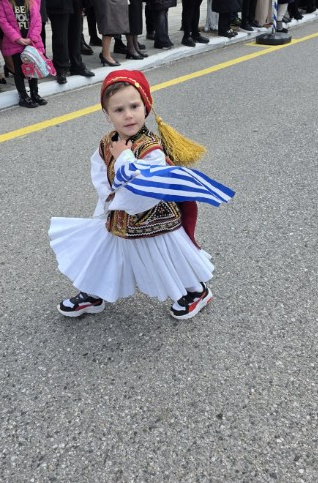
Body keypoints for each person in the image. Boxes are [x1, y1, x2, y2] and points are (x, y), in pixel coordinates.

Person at [49, 69, 234, 321]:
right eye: (119, 110)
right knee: (102, 253)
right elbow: (99, 169)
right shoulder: (108, 141)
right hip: (119, 215)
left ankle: (197, 291)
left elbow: (146, 186)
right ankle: (92, 293)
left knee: (166, 257)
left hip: (153, 218)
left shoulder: (150, 148)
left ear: (146, 106)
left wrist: (124, 158)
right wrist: (108, 196)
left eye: (134, 106)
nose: (128, 115)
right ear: (107, 115)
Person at [0, 0, 47, 108]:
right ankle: (23, 96)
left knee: (33, 68)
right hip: (15, 43)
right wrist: (17, 38)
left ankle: (35, 93)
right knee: (19, 70)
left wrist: (32, 38)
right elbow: (3, 22)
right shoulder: (4, 1)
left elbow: (37, 20)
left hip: (31, 42)